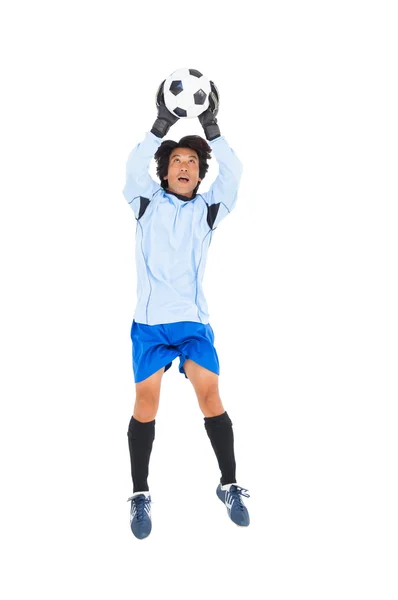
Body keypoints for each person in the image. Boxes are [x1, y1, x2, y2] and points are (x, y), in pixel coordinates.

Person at [123, 79, 250, 539]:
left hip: (194, 325)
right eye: (176, 160)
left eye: (192, 163)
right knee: (146, 402)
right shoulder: (145, 204)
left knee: (210, 395)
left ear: (199, 176)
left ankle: (230, 483)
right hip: (150, 326)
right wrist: (162, 125)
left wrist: (211, 128)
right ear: (165, 172)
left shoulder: (208, 211)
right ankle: (140, 493)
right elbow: (134, 167)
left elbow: (234, 175)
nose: (183, 166)